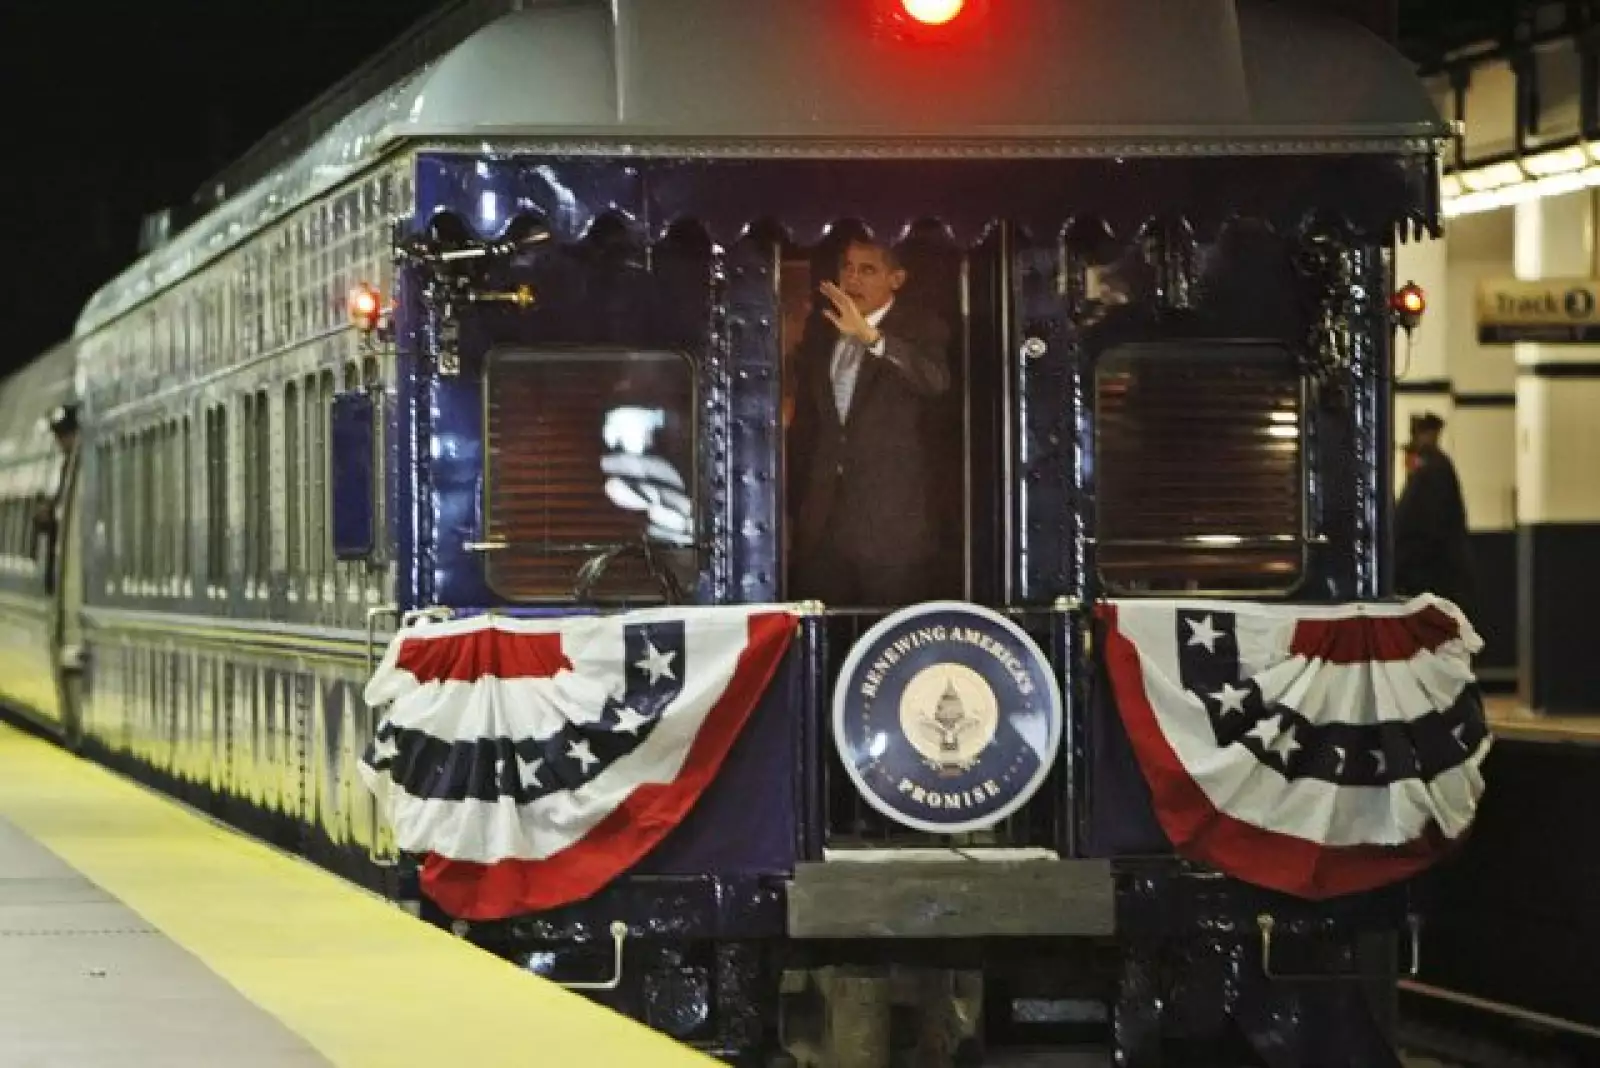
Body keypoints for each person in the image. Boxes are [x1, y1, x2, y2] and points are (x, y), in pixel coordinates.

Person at [788, 237, 951, 606]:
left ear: (896, 279)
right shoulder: (822, 329)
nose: (853, 279)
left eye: (867, 270)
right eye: (847, 267)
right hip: (824, 524)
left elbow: (934, 381)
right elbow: (810, 427)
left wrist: (871, 338)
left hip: (892, 528)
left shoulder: (921, 327)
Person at [1395, 412, 1476, 620]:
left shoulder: (1432, 470)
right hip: (1437, 567)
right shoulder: (1437, 467)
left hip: (1429, 569)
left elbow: (1414, 520)